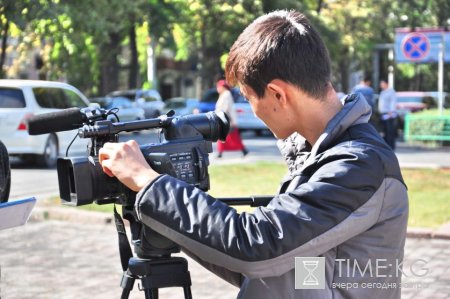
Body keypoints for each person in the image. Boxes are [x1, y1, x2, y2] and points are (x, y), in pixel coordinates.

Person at [99, 10, 408, 299]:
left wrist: (149, 182)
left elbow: (258, 245)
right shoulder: (322, 153)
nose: (253, 110)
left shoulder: (358, 164)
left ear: (277, 94)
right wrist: (161, 212)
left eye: (248, 97)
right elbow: (278, 268)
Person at [215, 79, 248, 158]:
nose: (217, 89)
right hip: (224, 119)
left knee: (228, 137)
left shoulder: (226, 94)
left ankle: (243, 150)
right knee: (228, 137)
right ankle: (221, 152)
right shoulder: (224, 94)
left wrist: (220, 116)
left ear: (222, 87)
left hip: (225, 119)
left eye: (218, 87)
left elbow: (225, 108)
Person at [378, 79, 398, 150]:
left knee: (390, 131)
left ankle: (391, 146)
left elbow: (393, 102)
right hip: (383, 114)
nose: (381, 85)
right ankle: (386, 146)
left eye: (382, 83)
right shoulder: (382, 92)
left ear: (386, 84)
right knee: (384, 131)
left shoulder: (391, 92)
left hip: (389, 114)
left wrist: (391, 112)